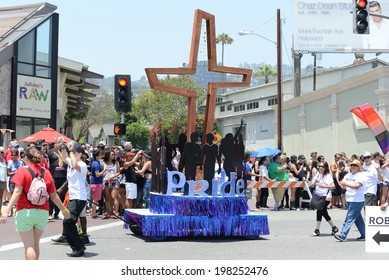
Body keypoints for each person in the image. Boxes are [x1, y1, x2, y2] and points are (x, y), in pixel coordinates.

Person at [0, 146, 70, 260]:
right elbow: (53, 195)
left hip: (25, 211)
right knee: (35, 243)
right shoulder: (45, 172)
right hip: (42, 212)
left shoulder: (22, 171)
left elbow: (17, 192)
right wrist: (64, 210)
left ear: (26, 158)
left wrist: (6, 210)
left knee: (29, 246)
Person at [62, 143, 88, 257]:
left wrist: (71, 153)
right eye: (72, 153)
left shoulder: (82, 164)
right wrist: (62, 147)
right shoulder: (71, 163)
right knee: (67, 221)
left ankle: (79, 246)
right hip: (73, 197)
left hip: (79, 197)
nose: (72, 154)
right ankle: (77, 245)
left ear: (80, 154)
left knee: (69, 221)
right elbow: (64, 158)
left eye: (75, 153)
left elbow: (74, 163)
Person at [334, 160, 366, 242]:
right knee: (358, 218)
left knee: (349, 217)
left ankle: (343, 235)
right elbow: (343, 186)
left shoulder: (361, 175)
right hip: (350, 199)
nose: (352, 167)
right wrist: (341, 184)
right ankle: (365, 234)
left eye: (355, 165)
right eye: (351, 165)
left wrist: (346, 184)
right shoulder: (348, 175)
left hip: (357, 200)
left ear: (359, 167)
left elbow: (357, 186)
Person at [309, 161, 338, 237]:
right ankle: (334, 227)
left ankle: (317, 230)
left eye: (322, 166)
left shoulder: (328, 176)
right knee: (324, 212)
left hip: (326, 196)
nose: (320, 168)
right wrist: (314, 182)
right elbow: (311, 186)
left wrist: (324, 187)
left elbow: (333, 186)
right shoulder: (317, 175)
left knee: (319, 211)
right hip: (318, 196)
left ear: (325, 167)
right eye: (319, 166)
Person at [7, 149, 25, 217]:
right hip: (12, 181)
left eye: (15, 155)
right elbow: (8, 173)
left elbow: (24, 171)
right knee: (12, 196)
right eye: (12, 155)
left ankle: (18, 211)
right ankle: (11, 212)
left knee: (19, 196)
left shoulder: (21, 163)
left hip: (20, 181)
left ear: (18, 156)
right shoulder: (10, 163)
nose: (13, 157)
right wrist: (15, 172)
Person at [90, 149, 106, 217]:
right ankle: (93, 213)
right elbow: (97, 174)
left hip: (96, 183)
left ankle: (93, 212)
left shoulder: (96, 162)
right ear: (96, 156)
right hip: (96, 183)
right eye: (99, 155)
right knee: (95, 199)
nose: (101, 156)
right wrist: (104, 170)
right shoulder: (96, 164)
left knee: (95, 199)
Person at [0, 147, 8, 212]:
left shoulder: (5, 161)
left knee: (1, 197)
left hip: (3, 180)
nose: (0, 153)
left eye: (2, 152)